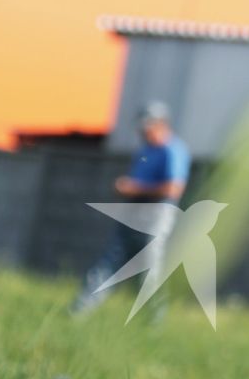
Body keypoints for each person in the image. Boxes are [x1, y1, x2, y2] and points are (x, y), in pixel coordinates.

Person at [70, 101, 190, 315]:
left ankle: (154, 323)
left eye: (148, 126)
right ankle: (80, 310)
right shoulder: (145, 150)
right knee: (109, 260)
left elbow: (173, 189)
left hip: (156, 214)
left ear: (161, 124)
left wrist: (134, 188)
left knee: (148, 270)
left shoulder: (173, 151)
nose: (143, 131)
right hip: (133, 211)